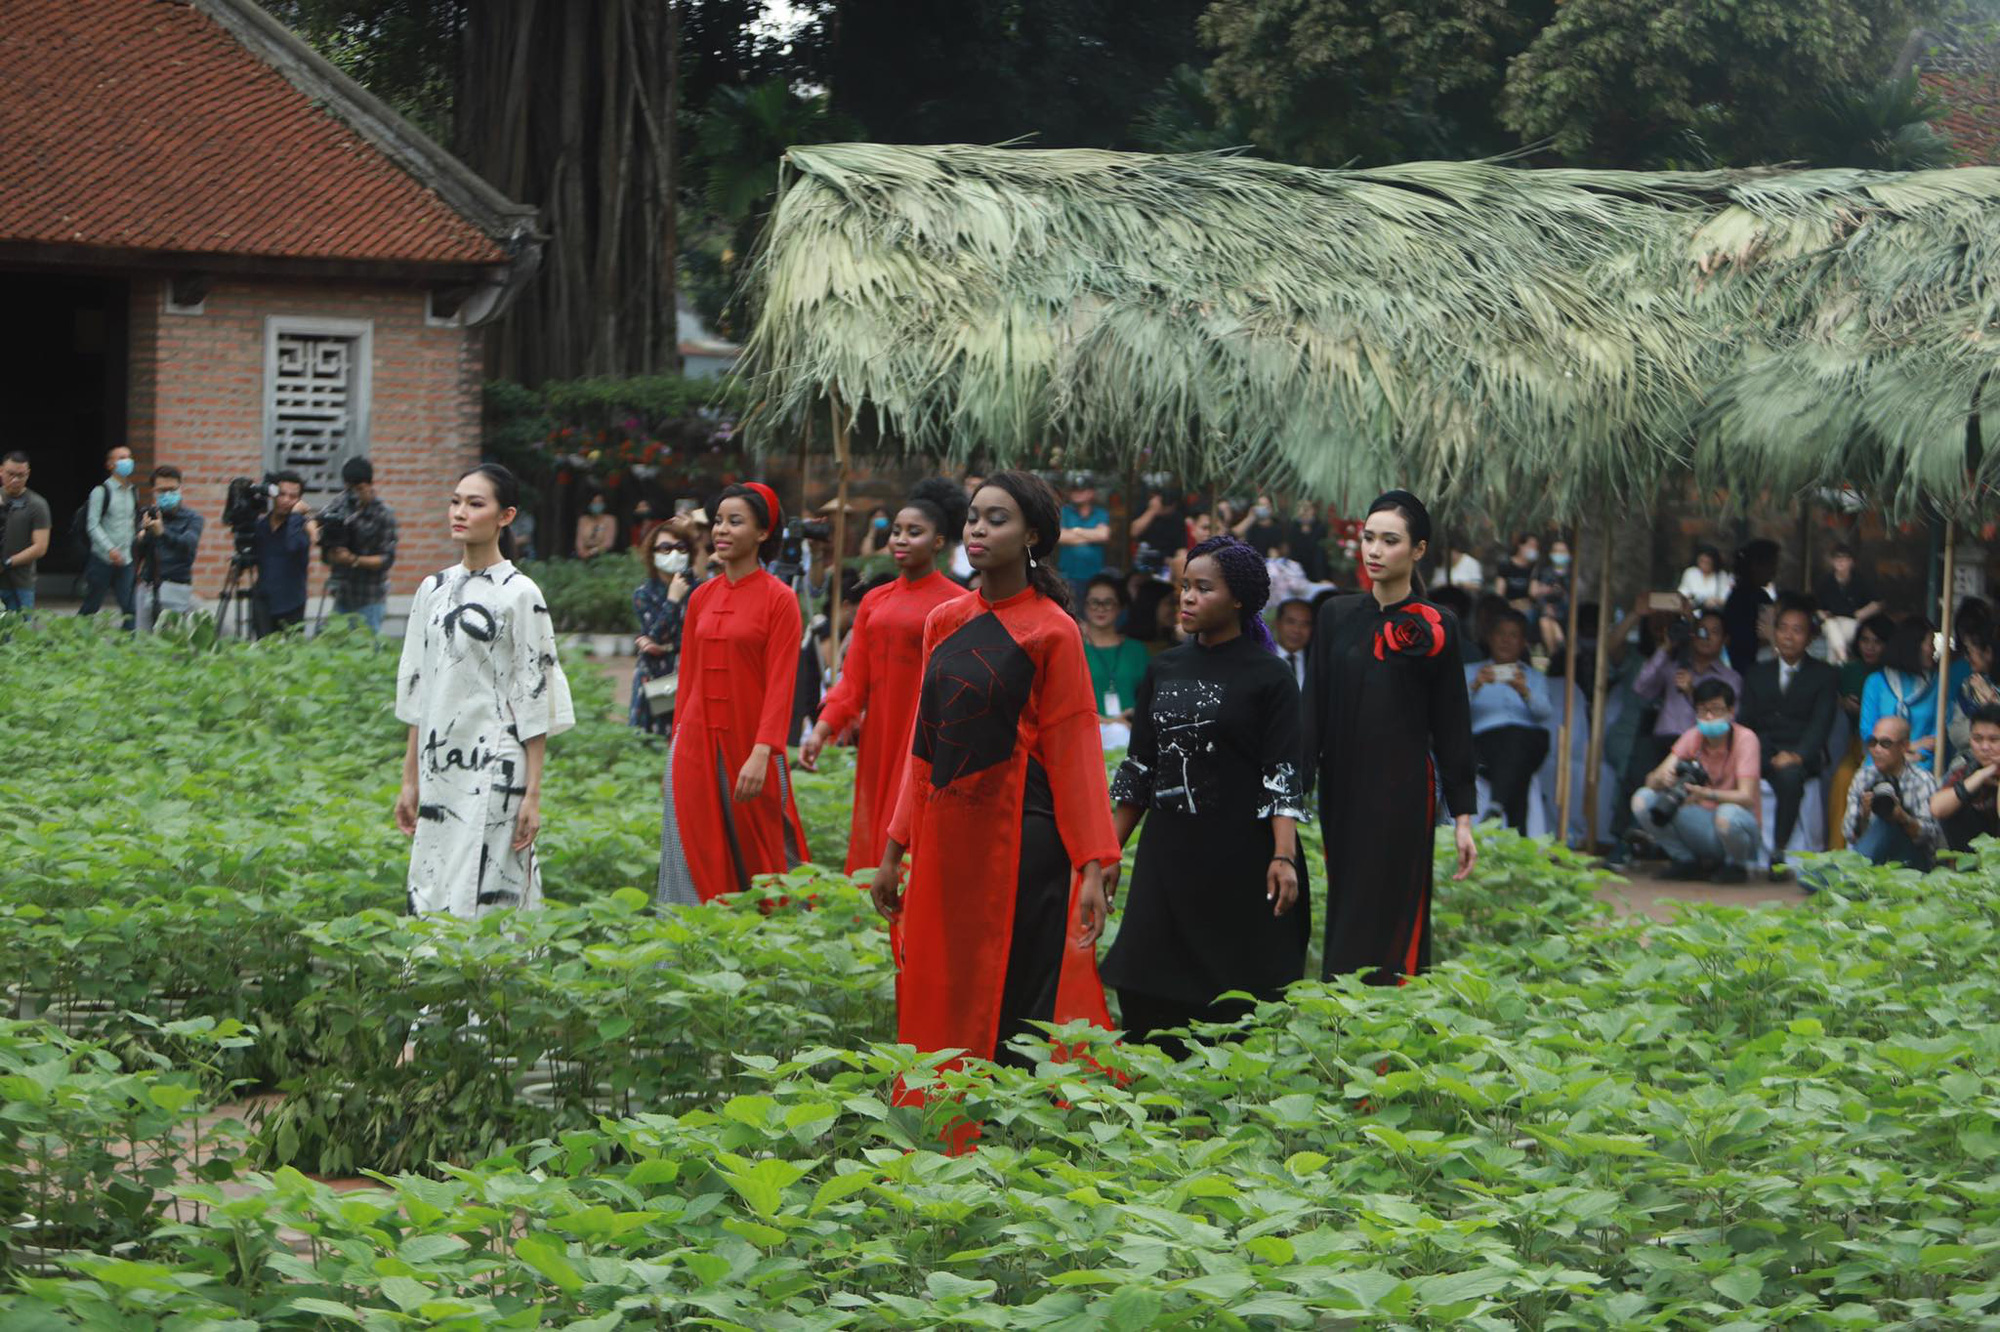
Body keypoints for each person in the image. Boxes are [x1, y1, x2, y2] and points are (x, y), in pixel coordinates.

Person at [868, 470, 1119, 1069]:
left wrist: (1092, 864)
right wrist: (893, 849)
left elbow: (1074, 749)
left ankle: (1006, 1140)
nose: (978, 528)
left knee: (1014, 998)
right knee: (942, 980)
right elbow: (923, 745)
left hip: (1022, 845)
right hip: (947, 838)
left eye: (997, 518)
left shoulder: (1054, 630)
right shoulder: (945, 621)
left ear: (1033, 535)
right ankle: (940, 1119)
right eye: (974, 516)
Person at [1102, 535, 1309, 1055]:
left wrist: (1283, 855)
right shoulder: (1164, 668)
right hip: (1168, 857)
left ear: (1238, 598)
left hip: (1239, 860)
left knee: (1232, 1000)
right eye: (1183, 587)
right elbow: (1141, 767)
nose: (1187, 598)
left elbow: (1281, 771)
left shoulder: (1271, 676)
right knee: (1145, 987)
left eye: (1202, 588)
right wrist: (1107, 851)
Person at [1303, 490, 1477, 984]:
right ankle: (1341, 1022)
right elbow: (1311, 709)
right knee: (1347, 903)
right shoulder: (1335, 615)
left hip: (1403, 791)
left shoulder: (1438, 625)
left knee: (1395, 907)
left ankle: (1388, 1039)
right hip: (1342, 788)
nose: (1374, 551)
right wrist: (1289, 797)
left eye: (1390, 541)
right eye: (1369, 538)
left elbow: (1452, 723)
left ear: (1419, 550)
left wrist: (1462, 817)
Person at [393, 463, 573, 918]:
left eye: (475, 504)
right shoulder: (432, 589)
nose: (460, 512)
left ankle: (495, 984)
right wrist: (409, 779)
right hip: (438, 766)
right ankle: (434, 986)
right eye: (456, 501)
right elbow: (419, 689)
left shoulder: (520, 593)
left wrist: (532, 793)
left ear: (505, 516)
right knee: (432, 879)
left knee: (493, 885)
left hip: (496, 765)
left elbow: (535, 692)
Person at [799, 479, 971, 876]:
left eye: (915, 532)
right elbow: (853, 679)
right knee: (877, 819)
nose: (901, 539)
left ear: (939, 541)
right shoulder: (874, 600)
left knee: (917, 822)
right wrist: (822, 730)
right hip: (880, 734)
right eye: (896, 531)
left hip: (928, 735)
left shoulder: (958, 603)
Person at [657, 482, 810, 904]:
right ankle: (688, 954)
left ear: (763, 533)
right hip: (694, 747)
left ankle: (769, 957)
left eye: (735, 522)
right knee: (690, 847)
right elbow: (686, 681)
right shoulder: (702, 597)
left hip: (752, 747)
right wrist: (675, 751)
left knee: (764, 855)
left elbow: (783, 684)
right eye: (719, 521)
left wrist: (763, 751)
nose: (721, 530)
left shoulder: (780, 600)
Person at [1738, 598, 1838, 877]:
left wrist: (1797, 755)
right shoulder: (1757, 673)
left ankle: (1778, 850)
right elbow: (1746, 722)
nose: (1789, 636)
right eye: (1783, 628)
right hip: (1762, 751)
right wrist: (1767, 754)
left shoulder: (1824, 675)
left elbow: (1822, 723)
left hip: (1799, 755)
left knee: (1791, 778)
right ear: (1774, 632)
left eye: (1797, 630)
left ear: (1809, 637)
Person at [1623, 608, 1741, 837]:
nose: (1706, 637)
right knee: (1637, 765)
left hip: (1700, 745)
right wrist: (1666, 647)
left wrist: (1691, 692)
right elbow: (1641, 688)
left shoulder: (1730, 678)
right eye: (1701, 630)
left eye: (1714, 632)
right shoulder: (1674, 664)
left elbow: (1729, 720)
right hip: (1662, 741)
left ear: (1725, 639)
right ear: (1692, 635)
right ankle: (1627, 840)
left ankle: (1666, 842)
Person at [1631, 680, 1762, 882]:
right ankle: (1685, 861)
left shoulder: (1746, 739)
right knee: (1643, 799)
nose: (1709, 717)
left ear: (1731, 711)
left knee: (1727, 814)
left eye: (1716, 710)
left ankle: (1736, 866)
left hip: (1733, 827)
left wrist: (1705, 794)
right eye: (1702, 710)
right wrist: (1663, 779)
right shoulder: (1693, 736)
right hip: (1699, 822)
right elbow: (1651, 780)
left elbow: (1746, 798)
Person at [1465, 608, 1552, 833]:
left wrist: (1525, 692)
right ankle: (1512, 823)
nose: (1506, 641)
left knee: (1518, 738)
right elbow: (1451, 710)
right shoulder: (1469, 672)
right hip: (1484, 743)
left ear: (1523, 642)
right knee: (1516, 756)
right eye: (1500, 634)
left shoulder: (1534, 677)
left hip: (1529, 742)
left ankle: (1496, 807)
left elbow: (1544, 714)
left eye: (1513, 635)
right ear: (1490, 638)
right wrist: (1475, 685)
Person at [1842, 716, 1941, 870]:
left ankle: (1847, 878)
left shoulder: (1922, 780)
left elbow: (1932, 839)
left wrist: (1903, 818)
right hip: (1873, 857)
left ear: (1904, 746)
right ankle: (1850, 876)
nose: (1877, 750)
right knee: (1804, 876)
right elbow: (1850, 835)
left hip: (1912, 864)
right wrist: (1864, 815)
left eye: (1885, 743)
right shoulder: (1864, 776)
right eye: (1873, 742)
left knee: (1886, 824)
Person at [1828, 612, 1893, 849]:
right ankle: (1835, 851)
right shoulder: (1847, 671)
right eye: (1865, 640)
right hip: (1855, 744)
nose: (1870, 647)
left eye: (1877, 641)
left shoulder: (1890, 676)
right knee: (1841, 780)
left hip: (1888, 749)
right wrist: (1842, 704)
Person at [629, 524, 698, 737]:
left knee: (684, 740)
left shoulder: (700, 590)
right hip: (655, 676)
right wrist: (673, 600)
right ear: (653, 554)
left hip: (688, 673)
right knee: (650, 741)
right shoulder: (644, 594)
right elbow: (656, 634)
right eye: (666, 548)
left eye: (680, 547)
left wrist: (658, 643)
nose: (674, 553)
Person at [322, 456, 398, 633]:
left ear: (370, 485)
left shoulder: (383, 514)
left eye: (360, 489)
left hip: (369, 598)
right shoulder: (340, 504)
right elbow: (319, 522)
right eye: (350, 489)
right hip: (342, 594)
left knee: (367, 650)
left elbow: (386, 559)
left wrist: (353, 559)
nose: (355, 494)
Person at [1078, 572, 1150, 750]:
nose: (1100, 608)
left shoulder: (1137, 649)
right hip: (1085, 735)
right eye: (1094, 602)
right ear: (1085, 606)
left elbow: (1148, 698)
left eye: (1108, 602)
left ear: (1120, 607)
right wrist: (1110, 721)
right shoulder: (1074, 648)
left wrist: (1134, 718)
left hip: (1131, 734)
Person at [1861, 616, 1941, 768]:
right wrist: (1910, 747)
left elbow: (1938, 734)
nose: (1933, 650)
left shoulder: (1938, 684)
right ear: (1914, 646)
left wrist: (1919, 753)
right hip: (1879, 763)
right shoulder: (1876, 682)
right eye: (1930, 643)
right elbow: (1868, 731)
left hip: (1921, 764)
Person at [133, 465, 204, 632]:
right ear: (154, 492)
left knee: (171, 645)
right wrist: (142, 536)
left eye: (172, 489)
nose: (167, 495)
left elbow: (188, 545)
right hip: (148, 587)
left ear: (180, 489)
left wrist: (162, 533)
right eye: (162, 490)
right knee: (142, 644)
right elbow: (135, 554)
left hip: (176, 586)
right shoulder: (147, 515)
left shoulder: (193, 518)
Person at [249, 470, 316, 637]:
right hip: (263, 601)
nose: (286, 500)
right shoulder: (261, 525)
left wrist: (295, 516)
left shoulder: (302, 526)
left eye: (293, 497)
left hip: (291, 602)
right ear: (273, 495)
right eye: (282, 494)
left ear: (299, 500)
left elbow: (293, 546)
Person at [80, 444, 139, 626]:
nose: (126, 461)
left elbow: (131, 521)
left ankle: (127, 645)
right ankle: (77, 639)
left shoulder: (133, 491)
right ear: (110, 464)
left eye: (128, 457)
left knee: (129, 607)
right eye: (121, 458)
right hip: (102, 558)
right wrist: (109, 548)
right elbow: (93, 525)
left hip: (126, 559)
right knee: (92, 605)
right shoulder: (101, 492)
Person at [1933, 703, 2000, 854]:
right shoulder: (1966, 766)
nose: (1984, 747)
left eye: (1993, 740)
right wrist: (1980, 775)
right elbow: (1937, 808)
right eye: (1978, 739)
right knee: (1954, 805)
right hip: (1972, 857)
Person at [1814, 542, 1882, 663]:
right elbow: (1816, 607)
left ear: (1851, 562)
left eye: (1844, 559)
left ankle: (1837, 663)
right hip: (1831, 621)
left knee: (1834, 640)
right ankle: (1843, 658)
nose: (1840, 562)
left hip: (1852, 621)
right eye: (1837, 559)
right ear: (1832, 562)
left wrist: (1861, 614)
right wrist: (1823, 615)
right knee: (1831, 626)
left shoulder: (1860, 581)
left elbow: (1877, 603)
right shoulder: (1825, 582)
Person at [0, 451, 51, 613]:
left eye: (21, 475)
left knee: (19, 634)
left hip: (21, 583)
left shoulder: (37, 504)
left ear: (28, 474)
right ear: (1, 471)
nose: (15, 480)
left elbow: (40, 547)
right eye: (10, 474)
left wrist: (7, 563)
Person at [1723, 538, 1780, 673]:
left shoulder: (1758, 596)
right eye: (1771, 565)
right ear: (1755, 565)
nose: (1774, 571)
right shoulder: (1745, 598)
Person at [1057, 476, 1109, 599]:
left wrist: (1076, 531)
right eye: (1074, 490)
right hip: (1068, 576)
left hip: (1094, 575)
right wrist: (1092, 534)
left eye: (1081, 490)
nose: (1077, 494)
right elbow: (1060, 537)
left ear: (1091, 493)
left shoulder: (1100, 513)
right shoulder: (1064, 512)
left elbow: (1103, 535)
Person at [1531, 537, 1572, 656]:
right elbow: (1538, 595)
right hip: (1548, 611)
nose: (1559, 555)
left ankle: (1558, 647)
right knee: (1545, 621)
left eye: (1562, 551)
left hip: (1567, 611)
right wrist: (1545, 605)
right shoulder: (1546, 572)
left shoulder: (1572, 574)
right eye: (1556, 551)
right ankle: (1554, 655)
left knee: (1550, 621)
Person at [1677, 544, 1734, 611]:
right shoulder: (1690, 573)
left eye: (1707, 562)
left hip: (1712, 614)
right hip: (1692, 613)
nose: (1704, 565)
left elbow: (1726, 599)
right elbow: (1682, 594)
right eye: (1702, 561)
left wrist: (1715, 601)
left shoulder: (1721, 575)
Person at [1273, 597, 1313, 689]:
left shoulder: (1317, 662)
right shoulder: (1260, 659)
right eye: (1290, 622)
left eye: (1305, 624)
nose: (1297, 630)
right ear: (1277, 624)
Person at [574, 492, 616, 559]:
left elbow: (608, 543)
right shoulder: (583, 520)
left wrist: (592, 552)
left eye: (599, 502)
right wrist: (581, 551)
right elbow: (579, 540)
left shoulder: (610, 520)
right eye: (594, 502)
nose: (597, 505)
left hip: (602, 554)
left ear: (604, 504)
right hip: (583, 555)